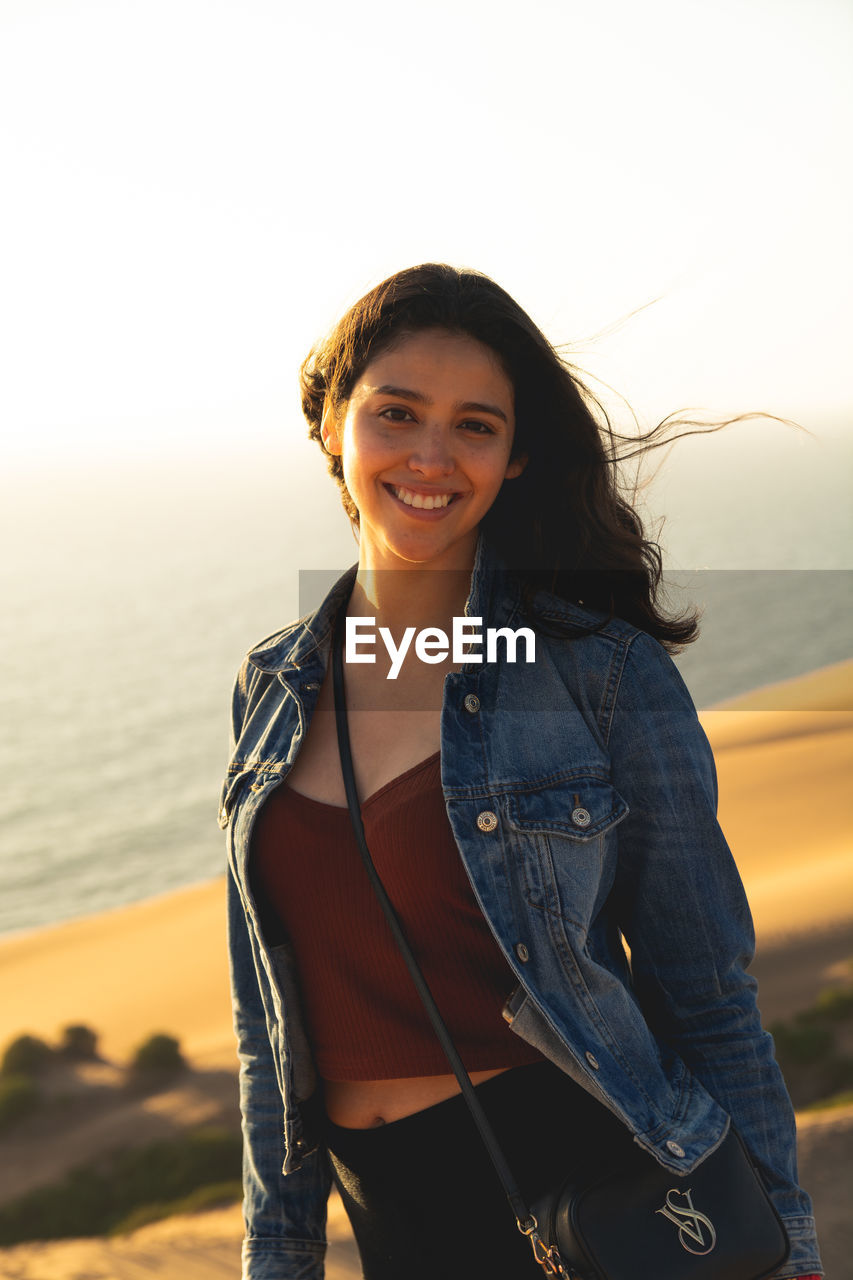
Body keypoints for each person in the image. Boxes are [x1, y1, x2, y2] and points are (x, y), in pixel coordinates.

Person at [220, 263, 823, 1279]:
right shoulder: (271, 685)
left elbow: (707, 995)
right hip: (392, 1222)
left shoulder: (597, 672)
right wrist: (276, 1256)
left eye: (474, 426)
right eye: (397, 412)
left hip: (596, 1196)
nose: (429, 455)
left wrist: (792, 1245)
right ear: (332, 423)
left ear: (514, 457)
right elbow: (264, 1023)